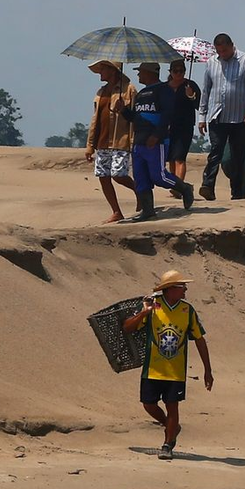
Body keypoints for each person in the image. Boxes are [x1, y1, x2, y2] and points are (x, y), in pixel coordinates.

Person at [122, 270, 213, 460]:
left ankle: (167, 444)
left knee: (173, 407)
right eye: (182, 286)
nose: (185, 289)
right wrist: (144, 313)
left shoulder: (187, 311)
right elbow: (128, 327)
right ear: (170, 289)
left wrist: (207, 370)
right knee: (149, 405)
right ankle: (171, 426)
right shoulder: (153, 307)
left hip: (176, 371)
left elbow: (199, 339)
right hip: (153, 369)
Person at [115, 62, 194, 220]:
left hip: (155, 142)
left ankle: (184, 188)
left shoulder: (164, 90)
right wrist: (123, 110)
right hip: (139, 142)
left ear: (149, 72)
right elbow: (135, 118)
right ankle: (147, 210)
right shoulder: (141, 94)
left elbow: (167, 115)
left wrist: (157, 135)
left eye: (140, 72)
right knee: (141, 178)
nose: (138, 75)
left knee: (159, 176)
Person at [196, 34, 245, 201]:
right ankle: (208, 185)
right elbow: (206, 90)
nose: (222, 54)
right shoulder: (212, 63)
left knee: (238, 156)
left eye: (225, 50)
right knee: (215, 152)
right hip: (217, 116)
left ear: (232, 46)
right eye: (219, 51)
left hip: (240, 118)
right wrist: (202, 116)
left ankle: (237, 192)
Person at [85, 59, 139, 224]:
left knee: (118, 174)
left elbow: (135, 116)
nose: (100, 72)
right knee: (103, 176)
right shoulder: (101, 92)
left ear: (113, 70)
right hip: (102, 141)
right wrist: (90, 145)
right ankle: (116, 211)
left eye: (103, 69)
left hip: (120, 140)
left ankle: (140, 191)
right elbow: (95, 119)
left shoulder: (128, 89)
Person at [165, 58, 200, 188]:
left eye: (182, 71)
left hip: (184, 127)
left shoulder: (190, 86)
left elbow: (199, 105)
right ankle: (174, 185)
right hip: (168, 127)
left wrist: (191, 96)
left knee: (180, 157)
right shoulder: (165, 87)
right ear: (171, 72)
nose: (179, 74)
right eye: (176, 71)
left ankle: (179, 187)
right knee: (171, 158)